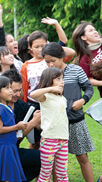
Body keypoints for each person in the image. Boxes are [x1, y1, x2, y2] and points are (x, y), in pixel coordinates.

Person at [42, 42, 95, 182]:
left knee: (82, 156)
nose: (50, 65)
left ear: (63, 57)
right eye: (47, 62)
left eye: (53, 61)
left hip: (75, 120)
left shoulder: (76, 70)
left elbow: (89, 88)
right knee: (53, 161)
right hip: (55, 125)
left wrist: (82, 100)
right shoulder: (47, 75)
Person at [30, 68, 69, 182]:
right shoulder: (45, 97)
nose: (62, 81)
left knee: (62, 172)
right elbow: (33, 94)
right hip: (49, 140)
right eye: (58, 79)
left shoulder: (62, 98)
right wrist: (51, 88)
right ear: (48, 80)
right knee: (46, 173)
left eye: (62, 78)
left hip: (63, 140)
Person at [0, 76, 27, 182]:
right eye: (7, 88)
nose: (11, 91)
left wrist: (15, 130)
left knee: (9, 176)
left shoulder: (7, 107)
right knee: (7, 177)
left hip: (10, 145)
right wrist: (16, 127)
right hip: (4, 148)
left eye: (10, 88)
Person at [0, 1, 23, 72]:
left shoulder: (19, 61)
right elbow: (1, 35)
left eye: (14, 40)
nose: (15, 43)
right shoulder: (3, 62)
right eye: (11, 41)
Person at [72, 21, 102, 97]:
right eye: (91, 31)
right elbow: (89, 79)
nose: (95, 32)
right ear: (83, 37)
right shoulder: (84, 58)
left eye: (95, 30)